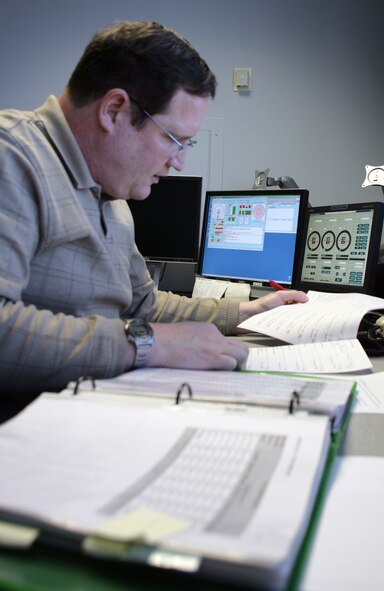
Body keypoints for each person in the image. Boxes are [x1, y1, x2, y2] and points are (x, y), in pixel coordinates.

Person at [0, 21, 307, 420]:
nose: (178, 162)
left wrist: (247, 313)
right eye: (173, 139)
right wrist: (147, 345)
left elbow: (143, 307)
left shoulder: (113, 195)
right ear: (114, 111)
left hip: (93, 411)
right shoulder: (13, 157)